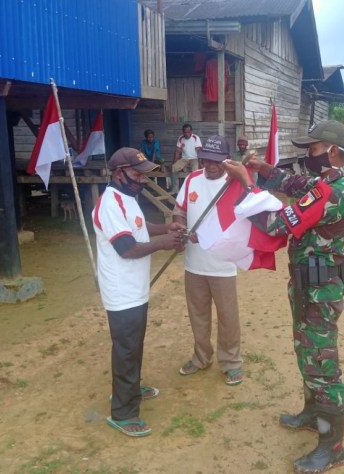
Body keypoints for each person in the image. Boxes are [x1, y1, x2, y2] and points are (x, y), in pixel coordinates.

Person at [222, 120, 344, 473]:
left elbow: (275, 224)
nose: (306, 155)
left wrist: (247, 185)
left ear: (332, 151)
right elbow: (290, 183)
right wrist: (261, 169)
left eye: (311, 149)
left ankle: (332, 446)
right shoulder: (326, 182)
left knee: (322, 364)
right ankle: (313, 413)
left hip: (319, 289)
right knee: (305, 349)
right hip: (308, 283)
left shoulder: (332, 192)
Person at [92, 147, 185, 438]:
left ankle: (129, 389)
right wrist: (165, 243)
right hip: (121, 291)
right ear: (118, 174)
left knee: (133, 345)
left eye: (143, 174)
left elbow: (140, 227)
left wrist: (166, 227)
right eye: (136, 174)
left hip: (135, 288)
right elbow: (128, 247)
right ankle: (123, 412)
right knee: (126, 348)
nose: (142, 180)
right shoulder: (109, 204)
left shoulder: (127, 199)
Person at [173, 135, 244, 386]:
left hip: (222, 263)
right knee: (198, 314)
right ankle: (201, 357)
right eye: (206, 160)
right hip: (194, 264)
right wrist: (180, 227)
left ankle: (231, 362)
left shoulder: (234, 183)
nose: (211, 166)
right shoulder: (192, 180)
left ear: (226, 160)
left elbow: (245, 219)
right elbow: (179, 210)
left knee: (227, 316)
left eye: (216, 161)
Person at [171, 123, 202, 194]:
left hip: (194, 159)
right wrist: (174, 162)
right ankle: (175, 189)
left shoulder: (195, 138)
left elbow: (199, 151)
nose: (187, 134)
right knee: (174, 167)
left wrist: (200, 163)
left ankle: (195, 189)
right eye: (185, 132)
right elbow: (178, 151)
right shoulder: (181, 138)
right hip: (184, 159)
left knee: (195, 171)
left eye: (188, 132)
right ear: (183, 132)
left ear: (191, 131)